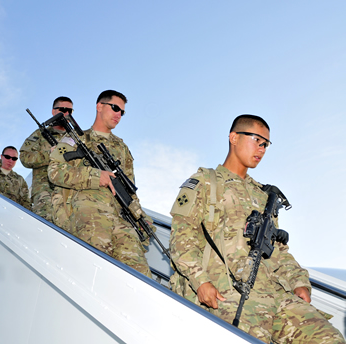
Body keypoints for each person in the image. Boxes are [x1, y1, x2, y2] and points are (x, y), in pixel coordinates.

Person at [169, 114, 345, 343]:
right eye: (256, 140)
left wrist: (298, 281)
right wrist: (200, 281)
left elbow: (278, 250)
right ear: (234, 137)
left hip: (275, 293)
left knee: (329, 339)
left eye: (266, 144)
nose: (261, 149)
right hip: (230, 294)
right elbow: (181, 238)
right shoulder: (206, 181)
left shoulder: (263, 195)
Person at [48, 90, 152, 277]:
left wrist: (140, 216)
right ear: (99, 106)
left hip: (122, 221)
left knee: (141, 278)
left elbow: (130, 189)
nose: (118, 115)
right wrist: (96, 176)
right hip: (90, 219)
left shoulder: (122, 148)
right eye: (115, 108)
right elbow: (55, 172)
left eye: (122, 112)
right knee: (95, 277)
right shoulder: (74, 138)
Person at [20, 96, 71, 223]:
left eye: (70, 110)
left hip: (71, 195)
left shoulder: (76, 137)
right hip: (45, 194)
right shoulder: (40, 134)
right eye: (63, 109)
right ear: (53, 111)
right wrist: (49, 154)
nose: (66, 113)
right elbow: (24, 157)